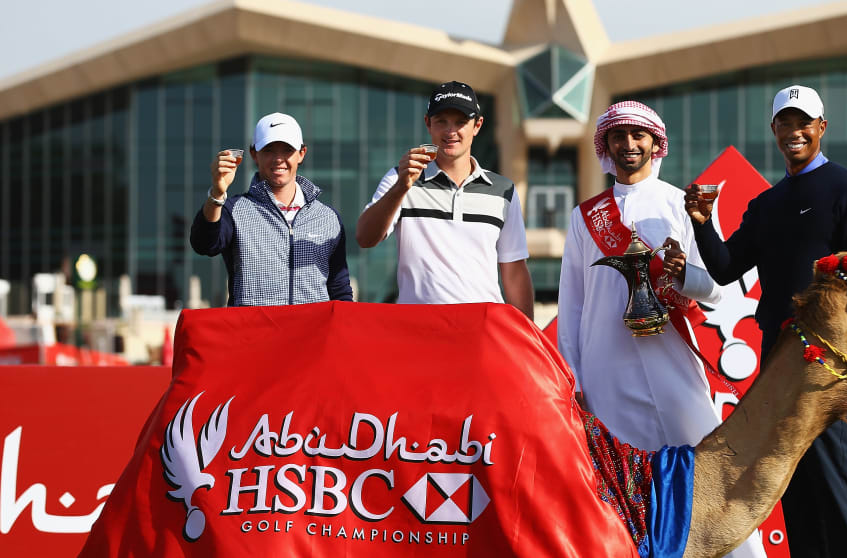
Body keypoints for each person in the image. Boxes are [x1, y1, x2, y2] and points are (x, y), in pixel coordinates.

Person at [685, 84, 847, 558]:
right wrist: (700, 221)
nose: (794, 132)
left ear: (821, 128)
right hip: (778, 359)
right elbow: (726, 266)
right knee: (789, 475)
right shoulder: (766, 204)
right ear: (774, 130)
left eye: (803, 123)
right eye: (785, 123)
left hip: (827, 365)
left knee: (831, 471)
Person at [558, 101, 765, 558]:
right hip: (604, 368)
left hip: (671, 362)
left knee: (709, 473)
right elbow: (571, 306)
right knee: (614, 482)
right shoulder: (584, 216)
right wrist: (571, 377)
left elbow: (716, 289)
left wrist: (681, 275)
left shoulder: (680, 204)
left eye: (638, 136)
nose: (629, 145)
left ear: (655, 143)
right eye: (618, 137)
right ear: (606, 146)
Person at [355, 81, 534, 319]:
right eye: (442, 121)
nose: (451, 131)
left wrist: (529, 342)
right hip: (419, 330)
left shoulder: (503, 190)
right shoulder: (400, 177)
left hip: (483, 331)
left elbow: (514, 273)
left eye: (461, 122)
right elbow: (365, 238)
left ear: (477, 125)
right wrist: (401, 187)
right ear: (428, 124)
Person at [190, 112, 353, 306]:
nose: (278, 159)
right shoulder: (234, 210)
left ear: (301, 154)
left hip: (313, 334)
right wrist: (217, 194)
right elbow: (204, 244)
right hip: (253, 334)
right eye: (269, 150)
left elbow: (340, 290)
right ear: (254, 154)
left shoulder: (328, 217)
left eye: (287, 150)